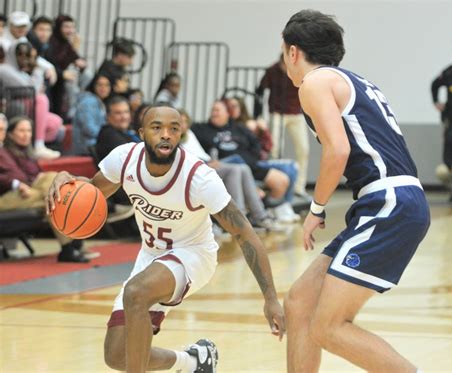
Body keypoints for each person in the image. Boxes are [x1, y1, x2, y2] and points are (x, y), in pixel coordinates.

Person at [46, 104, 285, 373]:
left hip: (193, 255)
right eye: (157, 127)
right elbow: (91, 193)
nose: (166, 134)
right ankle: (195, 361)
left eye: (174, 128)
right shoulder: (124, 159)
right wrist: (66, 179)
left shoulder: (199, 177)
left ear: (181, 134)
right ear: (141, 133)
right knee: (116, 356)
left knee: (136, 293)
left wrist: (271, 298)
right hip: (151, 255)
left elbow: (245, 234)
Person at [281, 10, 430, 373]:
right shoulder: (353, 81)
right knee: (299, 303)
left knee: (328, 327)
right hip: (388, 200)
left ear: (294, 52)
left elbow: (338, 150)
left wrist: (315, 209)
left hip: (389, 201)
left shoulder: (315, 83)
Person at [0, 116, 89, 262]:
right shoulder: (7, 150)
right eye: (21, 130)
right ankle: (74, 239)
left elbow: (24, 174)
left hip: (25, 192)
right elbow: (13, 177)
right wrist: (15, 183)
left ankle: (69, 247)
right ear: (12, 133)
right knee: (53, 187)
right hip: (6, 196)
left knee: (53, 192)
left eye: (2, 129)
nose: (26, 134)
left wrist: (32, 180)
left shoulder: (15, 150)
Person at [179, 109, 282, 231]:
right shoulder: (178, 136)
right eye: (180, 121)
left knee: (243, 167)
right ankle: (240, 219)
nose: (183, 124)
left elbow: (200, 154)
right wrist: (207, 163)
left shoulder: (189, 134)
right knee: (235, 168)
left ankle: (258, 215)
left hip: (206, 164)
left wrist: (209, 161)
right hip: (195, 170)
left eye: (185, 121)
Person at [193, 100, 291, 208]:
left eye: (217, 110)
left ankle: (275, 208)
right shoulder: (200, 129)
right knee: (237, 160)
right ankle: (256, 200)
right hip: (226, 167)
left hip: (250, 165)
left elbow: (257, 146)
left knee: (283, 178)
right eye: (212, 110)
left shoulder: (239, 128)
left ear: (227, 113)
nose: (214, 113)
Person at [227, 96, 300, 222]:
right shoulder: (230, 128)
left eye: (235, 106)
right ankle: (275, 207)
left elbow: (267, 147)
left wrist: (263, 130)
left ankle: (285, 204)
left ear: (241, 107)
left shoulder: (250, 123)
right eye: (229, 106)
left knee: (292, 166)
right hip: (249, 163)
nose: (232, 109)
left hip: (260, 159)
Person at [256, 53, 310, 199]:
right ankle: (273, 183)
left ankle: (299, 187)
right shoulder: (272, 71)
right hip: (277, 113)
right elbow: (260, 90)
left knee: (303, 149)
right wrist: (258, 115)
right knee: (274, 149)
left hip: (296, 113)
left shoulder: (299, 70)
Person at [45, 14, 92, 120]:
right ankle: (72, 111)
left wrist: (81, 62)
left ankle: (79, 104)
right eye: (66, 27)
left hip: (67, 76)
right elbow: (51, 62)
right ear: (58, 27)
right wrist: (62, 73)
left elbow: (75, 57)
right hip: (56, 78)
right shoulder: (52, 42)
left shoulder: (67, 42)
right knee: (71, 79)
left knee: (88, 75)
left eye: (72, 27)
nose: (70, 30)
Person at [72, 74, 111, 155]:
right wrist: (107, 136)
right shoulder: (89, 102)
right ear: (93, 86)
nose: (103, 88)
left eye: (107, 85)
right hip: (87, 147)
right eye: (100, 85)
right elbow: (89, 130)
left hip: (94, 143)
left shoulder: (98, 102)